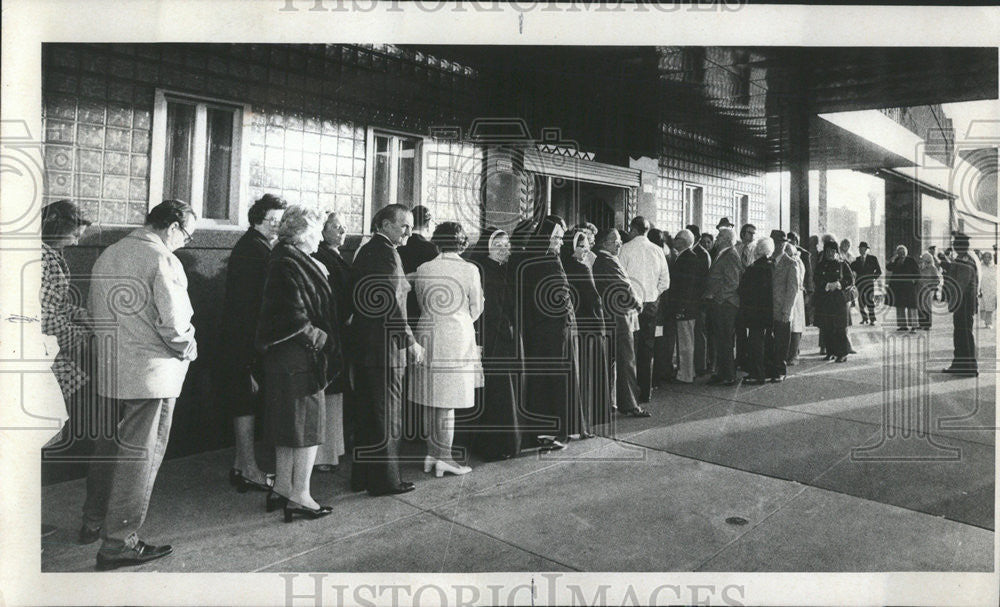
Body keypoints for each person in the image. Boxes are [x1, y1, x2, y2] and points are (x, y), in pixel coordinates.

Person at [82, 200, 198, 569]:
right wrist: (189, 347)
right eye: (188, 236)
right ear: (174, 226)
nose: (185, 243)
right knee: (140, 458)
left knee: (108, 449)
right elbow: (175, 323)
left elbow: (92, 312)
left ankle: (93, 520)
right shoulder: (163, 259)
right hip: (152, 375)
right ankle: (119, 542)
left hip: (110, 367)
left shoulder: (109, 254)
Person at [256, 205, 342, 522]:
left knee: (287, 425)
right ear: (305, 232)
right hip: (299, 356)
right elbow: (291, 312)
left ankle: (281, 487)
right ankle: (301, 496)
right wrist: (318, 338)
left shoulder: (283, 256)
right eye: (318, 229)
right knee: (306, 427)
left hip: (284, 358)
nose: (321, 236)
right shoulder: (289, 260)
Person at [350, 204, 424, 496]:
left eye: (411, 225)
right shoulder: (387, 254)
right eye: (403, 225)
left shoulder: (368, 251)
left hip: (366, 346)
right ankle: (386, 481)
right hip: (385, 350)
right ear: (383, 224)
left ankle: (363, 478)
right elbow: (391, 305)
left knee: (368, 417)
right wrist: (410, 342)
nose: (408, 231)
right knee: (387, 417)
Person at [217, 193, 286, 494]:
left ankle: (241, 465)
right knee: (244, 402)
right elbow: (251, 305)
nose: (277, 227)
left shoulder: (254, 246)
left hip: (240, 338)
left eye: (280, 222)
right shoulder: (254, 250)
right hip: (243, 340)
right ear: (258, 219)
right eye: (273, 221)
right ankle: (248, 469)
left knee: (244, 402)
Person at [409, 222, 483, 477]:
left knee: (430, 400)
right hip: (456, 334)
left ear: (437, 242)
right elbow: (477, 306)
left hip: (427, 331)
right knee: (447, 402)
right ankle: (446, 458)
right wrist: (461, 319)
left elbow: (419, 302)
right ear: (462, 243)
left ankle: (432, 453)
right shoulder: (469, 269)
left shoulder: (423, 268)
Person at [518, 215, 584, 449]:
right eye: (556, 237)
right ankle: (545, 428)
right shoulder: (543, 259)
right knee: (543, 381)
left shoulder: (549, 259)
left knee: (557, 380)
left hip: (556, 331)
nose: (560, 242)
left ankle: (560, 431)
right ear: (545, 237)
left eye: (560, 237)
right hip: (543, 331)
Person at [464, 227, 522, 460]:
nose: (504, 249)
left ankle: (507, 442)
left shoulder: (506, 269)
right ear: (487, 248)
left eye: (506, 245)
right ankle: (495, 445)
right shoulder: (483, 270)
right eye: (498, 246)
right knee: (497, 392)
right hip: (492, 339)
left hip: (506, 337)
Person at [40, 200, 93, 409]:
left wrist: (79, 313)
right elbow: (42, 315)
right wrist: (77, 336)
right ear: (56, 227)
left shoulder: (49, 253)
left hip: (45, 344)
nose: (76, 243)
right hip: (36, 346)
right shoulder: (40, 257)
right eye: (74, 235)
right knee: (45, 417)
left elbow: (53, 303)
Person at [311, 211, 352, 472]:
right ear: (322, 230)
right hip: (332, 330)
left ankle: (331, 451)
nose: (342, 231)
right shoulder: (320, 257)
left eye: (344, 227)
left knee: (335, 394)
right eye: (336, 227)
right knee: (328, 393)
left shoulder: (336, 257)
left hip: (340, 331)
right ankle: (323, 456)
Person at [592, 227, 647, 417]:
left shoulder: (603, 260)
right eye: (615, 241)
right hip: (618, 318)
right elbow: (624, 287)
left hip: (608, 317)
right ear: (604, 243)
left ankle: (610, 403)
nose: (619, 243)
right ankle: (630, 404)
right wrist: (637, 303)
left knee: (612, 363)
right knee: (626, 361)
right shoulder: (607, 261)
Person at [562, 228, 611, 430]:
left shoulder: (564, 266)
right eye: (580, 246)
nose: (585, 249)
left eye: (586, 245)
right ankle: (590, 417)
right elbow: (594, 299)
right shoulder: (582, 268)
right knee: (591, 372)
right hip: (589, 325)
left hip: (577, 325)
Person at [617, 216, 670, 403]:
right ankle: (645, 392)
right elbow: (666, 281)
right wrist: (653, 294)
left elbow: (620, 278)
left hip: (631, 304)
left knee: (630, 348)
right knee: (647, 349)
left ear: (632, 229)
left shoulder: (625, 249)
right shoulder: (657, 250)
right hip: (651, 305)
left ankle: (630, 394)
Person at [703, 226, 741, 386]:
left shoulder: (730, 255)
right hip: (722, 304)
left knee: (725, 340)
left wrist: (717, 297)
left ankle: (728, 375)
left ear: (726, 239)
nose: (716, 238)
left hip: (726, 305)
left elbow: (732, 282)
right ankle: (722, 372)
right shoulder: (724, 253)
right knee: (720, 339)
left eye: (719, 236)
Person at [668, 229, 704, 384]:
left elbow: (686, 287)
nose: (674, 241)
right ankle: (689, 371)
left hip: (686, 308)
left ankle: (686, 374)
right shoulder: (687, 257)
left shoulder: (687, 259)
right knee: (686, 340)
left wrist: (681, 308)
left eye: (676, 238)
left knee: (685, 342)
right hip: (689, 307)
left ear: (682, 241)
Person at [739, 238, 775, 384]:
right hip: (768, 310)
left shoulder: (753, 268)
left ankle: (756, 373)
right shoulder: (772, 266)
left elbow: (744, 289)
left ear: (758, 250)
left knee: (755, 343)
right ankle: (766, 371)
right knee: (766, 342)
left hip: (754, 311)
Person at [943, 233, 979, 376]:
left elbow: (960, 284)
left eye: (955, 243)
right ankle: (959, 365)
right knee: (960, 333)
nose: (953, 245)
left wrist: (952, 300)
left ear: (959, 246)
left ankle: (969, 368)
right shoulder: (964, 258)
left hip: (963, 303)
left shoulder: (964, 260)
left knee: (963, 334)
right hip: (963, 303)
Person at [814, 239, 855, 363]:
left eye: (833, 251)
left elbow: (850, 280)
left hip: (839, 301)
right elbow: (816, 278)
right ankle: (830, 351)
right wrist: (826, 285)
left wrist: (839, 284)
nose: (830, 254)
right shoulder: (821, 265)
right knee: (826, 326)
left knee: (839, 327)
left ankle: (842, 354)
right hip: (825, 300)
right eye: (828, 251)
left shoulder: (842, 264)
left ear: (836, 252)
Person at [770, 231, 801, 383]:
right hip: (768, 308)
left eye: (781, 243)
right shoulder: (768, 261)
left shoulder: (791, 263)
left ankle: (780, 371)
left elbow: (793, 290)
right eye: (775, 242)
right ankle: (770, 368)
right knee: (770, 340)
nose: (778, 246)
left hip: (782, 309)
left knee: (781, 342)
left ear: (785, 244)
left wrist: (787, 311)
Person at [785, 232, 811, 365]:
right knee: (792, 324)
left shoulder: (798, 259)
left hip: (797, 294)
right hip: (792, 294)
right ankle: (791, 353)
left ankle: (794, 354)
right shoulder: (793, 259)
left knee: (796, 324)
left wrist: (809, 293)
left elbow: (804, 278)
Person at [692, 229, 713, 377]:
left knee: (700, 332)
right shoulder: (699, 253)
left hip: (700, 300)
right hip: (698, 299)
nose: (705, 244)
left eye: (708, 242)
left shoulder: (702, 254)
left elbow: (704, 279)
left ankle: (701, 365)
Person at [886, 245, 920, 332]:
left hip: (908, 287)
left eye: (903, 252)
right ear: (897, 253)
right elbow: (889, 267)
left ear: (906, 252)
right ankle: (902, 326)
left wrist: (913, 282)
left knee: (911, 307)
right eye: (900, 252)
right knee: (900, 306)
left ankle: (914, 326)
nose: (902, 254)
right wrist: (893, 258)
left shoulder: (911, 260)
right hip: (898, 288)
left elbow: (917, 273)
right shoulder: (896, 260)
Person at [851, 241, 882, 325]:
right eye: (860, 249)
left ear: (867, 249)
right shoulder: (856, 260)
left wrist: (873, 278)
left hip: (869, 283)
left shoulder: (873, 258)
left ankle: (872, 319)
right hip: (859, 283)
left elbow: (879, 271)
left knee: (869, 300)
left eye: (863, 249)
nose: (862, 250)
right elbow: (850, 269)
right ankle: (864, 318)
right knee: (860, 301)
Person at [916, 251, 942, 331]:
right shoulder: (920, 268)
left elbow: (937, 280)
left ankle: (927, 324)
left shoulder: (932, 268)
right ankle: (921, 323)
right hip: (919, 289)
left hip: (928, 291)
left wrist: (932, 287)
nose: (921, 261)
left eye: (923, 260)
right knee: (920, 306)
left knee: (926, 307)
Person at [979, 251, 996, 329]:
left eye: (989, 257)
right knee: (983, 306)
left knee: (990, 306)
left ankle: (989, 322)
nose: (987, 258)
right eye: (985, 257)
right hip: (983, 288)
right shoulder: (980, 266)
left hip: (992, 289)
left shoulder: (994, 267)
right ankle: (985, 321)